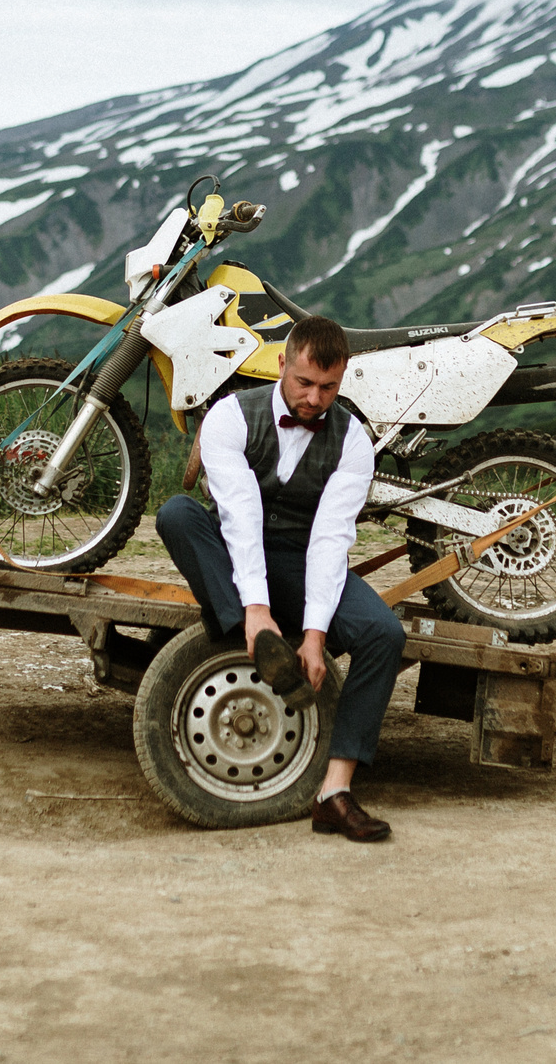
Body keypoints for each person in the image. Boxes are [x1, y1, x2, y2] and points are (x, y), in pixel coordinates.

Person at [154, 316, 406, 842]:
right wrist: (257, 610)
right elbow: (240, 515)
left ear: (342, 379)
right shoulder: (230, 417)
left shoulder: (353, 441)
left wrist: (314, 635)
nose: (315, 398)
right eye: (304, 383)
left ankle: (334, 794)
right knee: (178, 514)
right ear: (282, 365)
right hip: (233, 546)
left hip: (299, 555)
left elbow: (331, 539)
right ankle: (254, 635)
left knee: (384, 633)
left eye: (329, 387)